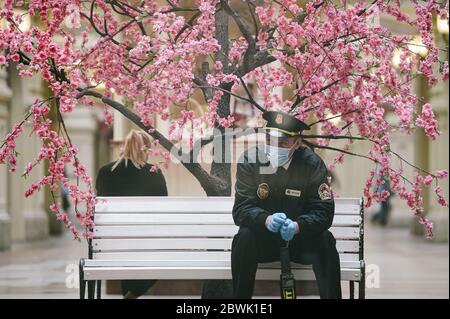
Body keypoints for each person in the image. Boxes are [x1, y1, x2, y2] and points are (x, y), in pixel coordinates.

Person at [231, 111, 342, 299]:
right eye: (269, 140)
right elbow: (241, 209)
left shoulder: (311, 164)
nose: (274, 147)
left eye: (282, 143)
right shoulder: (250, 161)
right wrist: (265, 220)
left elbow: (324, 211)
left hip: (300, 242)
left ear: (297, 143)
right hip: (264, 241)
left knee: (325, 240)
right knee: (243, 238)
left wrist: (299, 226)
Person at [96, 129, 168, 299]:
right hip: (146, 241)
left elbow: (99, 204)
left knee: (127, 247)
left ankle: (129, 295)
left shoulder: (106, 171)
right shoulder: (154, 172)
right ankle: (132, 295)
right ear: (147, 149)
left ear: (125, 147)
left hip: (110, 244)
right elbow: (163, 206)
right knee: (159, 254)